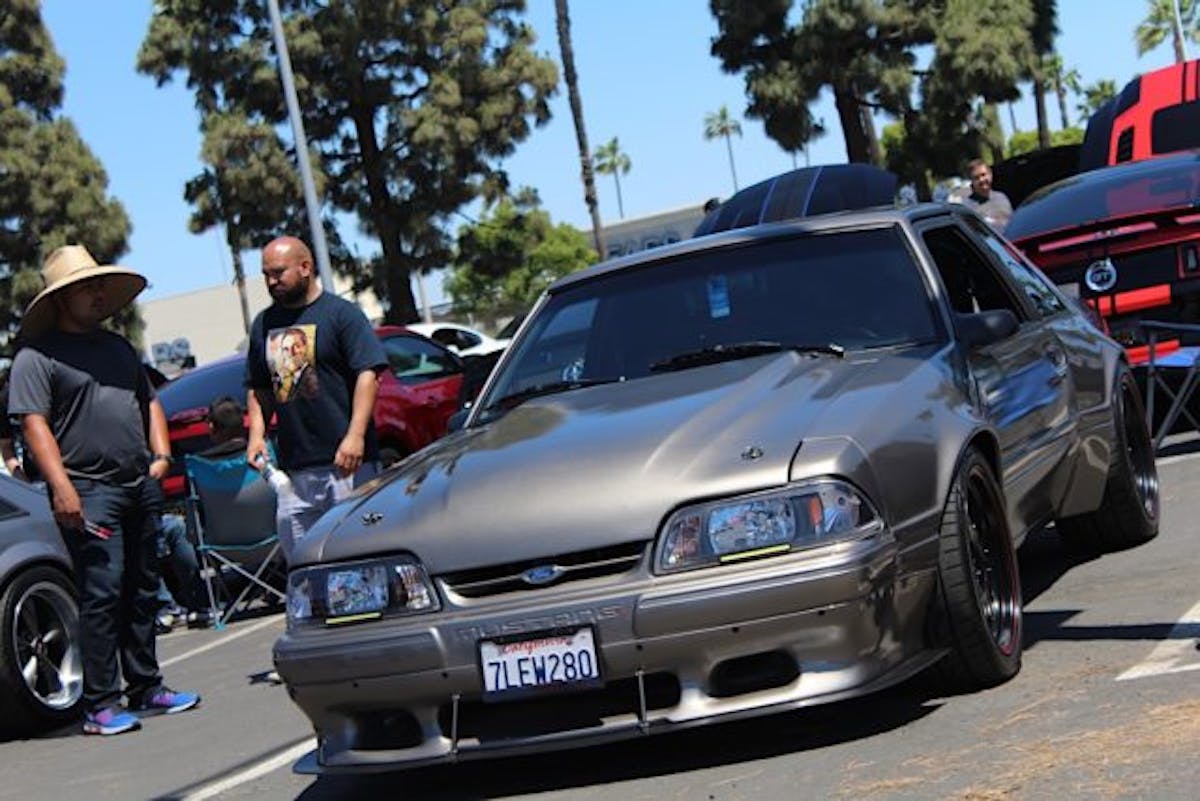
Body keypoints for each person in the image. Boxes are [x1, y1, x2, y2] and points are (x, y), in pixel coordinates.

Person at [7, 245, 200, 736]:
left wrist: (160, 455)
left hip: (139, 484)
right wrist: (63, 488)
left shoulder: (117, 348)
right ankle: (100, 704)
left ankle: (146, 687)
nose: (96, 294)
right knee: (101, 593)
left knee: (141, 590)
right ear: (60, 300)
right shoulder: (36, 357)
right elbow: (34, 426)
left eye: (98, 285)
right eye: (84, 287)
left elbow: (148, 400)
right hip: (89, 491)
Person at [244, 236, 387, 564]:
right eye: (266, 274)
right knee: (305, 563)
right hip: (294, 472)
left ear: (305, 268)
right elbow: (259, 386)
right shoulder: (264, 325)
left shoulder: (341, 314)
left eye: (278, 273)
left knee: (359, 555)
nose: (271, 281)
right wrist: (256, 436)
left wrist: (355, 436)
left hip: (347, 465)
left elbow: (369, 374)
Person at [962, 158, 1013, 233]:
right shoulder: (968, 207)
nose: (981, 179)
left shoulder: (1001, 197)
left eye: (983, 175)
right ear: (972, 181)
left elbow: (1012, 222)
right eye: (976, 178)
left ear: (990, 175)